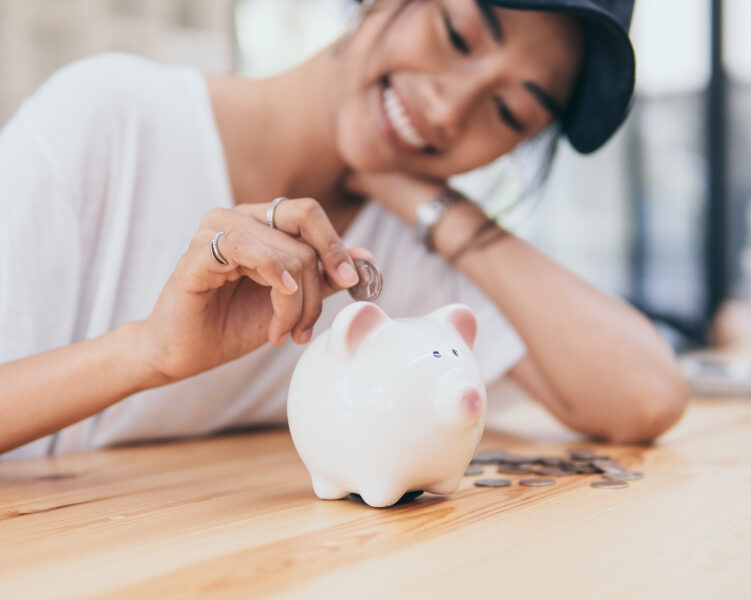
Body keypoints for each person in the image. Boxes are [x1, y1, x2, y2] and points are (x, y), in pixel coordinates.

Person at [0, 0, 687, 459]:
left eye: (508, 113)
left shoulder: (405, 251)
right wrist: (148, 351)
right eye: (455, 36)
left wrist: (443, 210)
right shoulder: (109, 119)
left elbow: (646, 395)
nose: (449, 110)